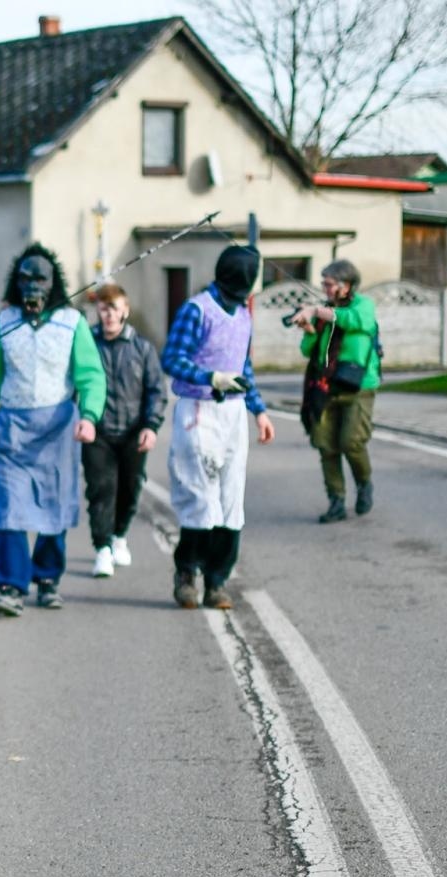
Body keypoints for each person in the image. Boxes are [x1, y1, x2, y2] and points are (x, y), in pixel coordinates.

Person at [0, 243, 105, 616]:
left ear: (52, 283)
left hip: (58, 429)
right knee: (9, 507)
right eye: (26, 278)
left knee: (52, 506)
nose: (32, 285)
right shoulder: (5, 322)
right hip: (12, 429)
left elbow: (91, 375)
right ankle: (11, 586)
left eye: (40, 279)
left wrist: (89, 416)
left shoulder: (72, 323)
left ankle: (47, 578)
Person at [161, 246, 275, 611]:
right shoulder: (197, 310)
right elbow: (172, 358)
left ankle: (217, 581)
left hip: (233, 413)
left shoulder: (243, 314)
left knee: (230, 501)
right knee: (200, 497)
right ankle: (186, 573)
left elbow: (244, 367)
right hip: (199, 408)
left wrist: (259, 410)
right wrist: (210, 377)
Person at [82, 284, 166, 578]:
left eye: (114, 308)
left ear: (125, 311)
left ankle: (119, 536)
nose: (109, 315)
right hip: (98, 432)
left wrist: (150, 426)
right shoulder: (87, 344)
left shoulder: (142, 348)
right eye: (104, 309)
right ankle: (102, 548)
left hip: (133, 432)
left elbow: (156, 390)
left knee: (130, 488)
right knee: (100, 489)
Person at [291, 259, 379, 523]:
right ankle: (336, 501)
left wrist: (316, 311)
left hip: (359, 386)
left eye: (329, 284)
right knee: (325, 445)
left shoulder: (363, 305)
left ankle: (364, 483)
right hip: (325, 385)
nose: (325, 289)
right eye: (324, 284)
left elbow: (356, 321)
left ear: (346, 285)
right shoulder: (326, 312)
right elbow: (308, 350)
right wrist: (309, 330)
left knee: (351, 441)